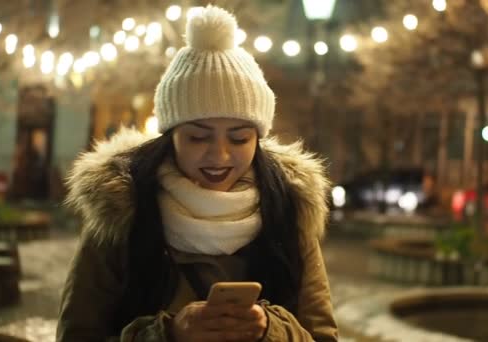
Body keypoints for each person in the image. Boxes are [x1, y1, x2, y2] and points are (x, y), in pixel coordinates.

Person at [56, 5, 338, 342]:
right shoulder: (121, 210)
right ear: (170, 136)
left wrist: (268, 329)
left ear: (258, 138)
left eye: (239, 137)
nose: (219, 154)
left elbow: (322, 337)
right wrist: (169, 333)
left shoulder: (288, 209)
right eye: (198, 136)